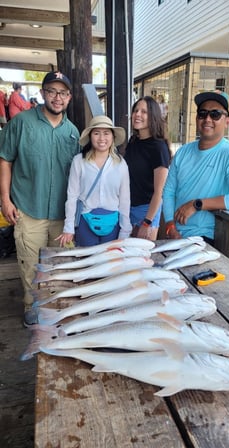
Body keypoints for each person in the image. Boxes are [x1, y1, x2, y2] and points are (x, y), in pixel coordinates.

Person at [0, 71, 80, 326]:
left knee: (58, 266)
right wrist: (5, 199)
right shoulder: (21, 122)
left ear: (69, 97)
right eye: (52, 91)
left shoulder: (73, 132)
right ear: (43, 93)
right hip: (28, 208)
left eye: (63, 93)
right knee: (30, 265)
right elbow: (5, 159)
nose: (58, 98)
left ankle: (54, 306)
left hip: (60, 214)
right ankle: (32, 306)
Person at [162, 90, 229, 243]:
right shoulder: (183, 152)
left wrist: (197, 204)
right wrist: (170, 225)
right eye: (202, 113)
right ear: (197, 119)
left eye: (215, 114)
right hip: (175, 234)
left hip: (205, 239)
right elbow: (169, 191)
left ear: (227, 121)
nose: (207, 119)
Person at [56, 115, 132, 247]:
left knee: (110, 263)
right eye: (96, 133)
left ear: (113, 137)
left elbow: (125, 200)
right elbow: (72, 196)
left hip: (113, 223)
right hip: (85, 222)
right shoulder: (79, 161)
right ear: (90, 137)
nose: (102, 138)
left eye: (106, 133)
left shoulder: (121, 164)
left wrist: (125, 230)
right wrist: (68, 227)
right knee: (87, 263)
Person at [124, 96, 171, 241]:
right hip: (127, 208)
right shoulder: (133, 142)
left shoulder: (159, 147)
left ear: (153, 116)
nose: (138, 114)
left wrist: (147, 222)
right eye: (136, 110)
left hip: (147, 211)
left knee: (142, 258)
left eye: (144, 112)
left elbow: (159, 192)